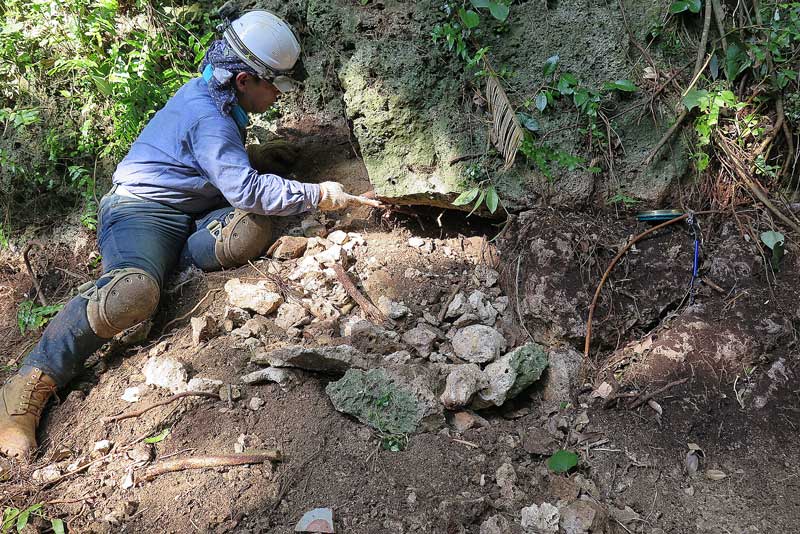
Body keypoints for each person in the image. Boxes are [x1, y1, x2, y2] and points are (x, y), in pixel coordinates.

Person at [0, 10, 379, 459]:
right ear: (243, 79)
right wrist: (319, 195)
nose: (278, 94)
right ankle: (27, 386)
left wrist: (250, 154)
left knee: (247, 231)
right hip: (140, 211)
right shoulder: (210, 116)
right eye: (273, 84)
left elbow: (201, 158)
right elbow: (243, 185)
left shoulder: (214, 95)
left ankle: (163, 264)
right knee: (131, 291)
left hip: (190, 209)